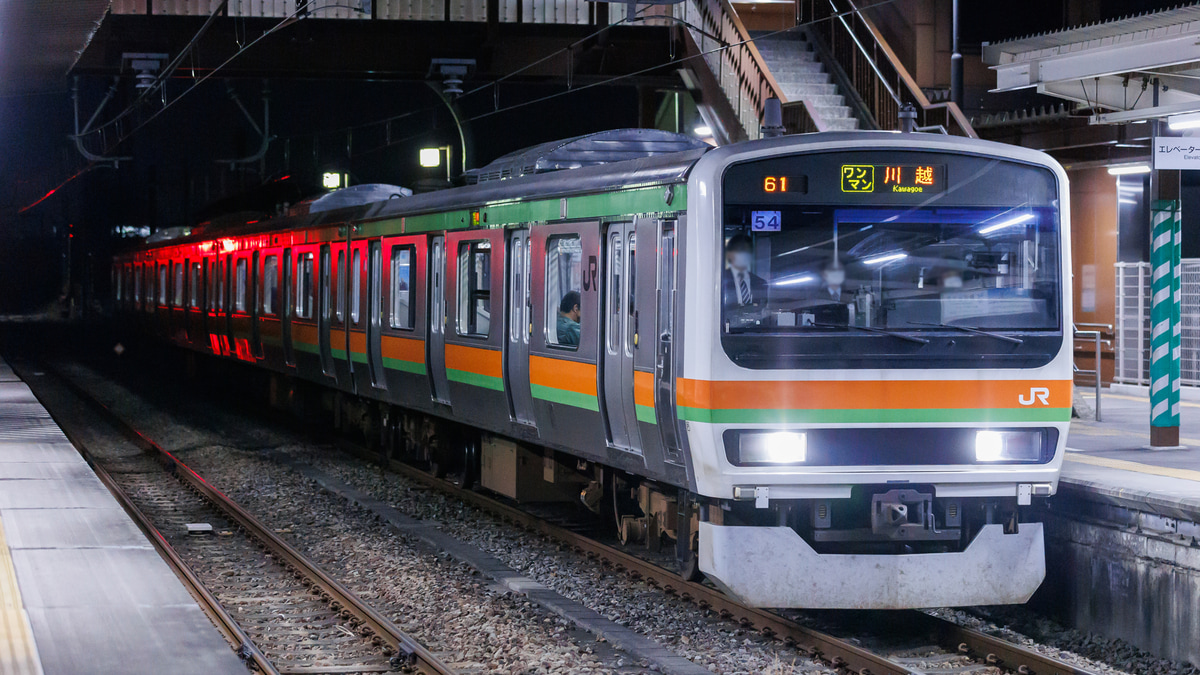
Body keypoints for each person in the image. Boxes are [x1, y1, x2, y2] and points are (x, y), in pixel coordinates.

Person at [721, 234, 768, 315]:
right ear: (730, 254)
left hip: (754, 326)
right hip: (727, 326)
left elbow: (762, 310)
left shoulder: (761, 283)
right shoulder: (721, 280)